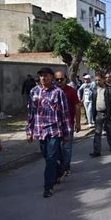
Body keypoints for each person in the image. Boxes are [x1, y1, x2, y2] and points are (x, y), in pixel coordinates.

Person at [26, 67, 72, 198]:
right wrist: (29, 130)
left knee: (51, 158)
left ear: (51, 77)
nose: (43, 78)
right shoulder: (34, 92)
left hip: (54, 131)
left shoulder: (58, 93)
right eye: (41, 76)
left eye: (46, 76)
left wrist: (66, 133)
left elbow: (64, 113)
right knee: (47, 157)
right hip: (40, 130)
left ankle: (48, 187)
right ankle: (60, 170)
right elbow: (30, 112)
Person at [54, 71, 81, 178]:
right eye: (57, 79)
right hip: (55, 125)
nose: (59, 81)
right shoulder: (52, 91)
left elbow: (77, 106)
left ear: (65, 79)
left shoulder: (71, 91)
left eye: (61, 79)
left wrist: (78, 123)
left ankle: (66, 167)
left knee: (66, 147)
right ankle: (60, 166)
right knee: (56, 147)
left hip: (68, 124)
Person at [90, 74, 111, 157]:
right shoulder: (94, 90)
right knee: (97, 132)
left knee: (109, 131)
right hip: (98, 113)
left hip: (107, 113)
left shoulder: (109, 89)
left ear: (103, 80)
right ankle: (97, 151)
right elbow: (93, 102)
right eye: (96, 80)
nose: (97, 82)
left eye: (99, 80)